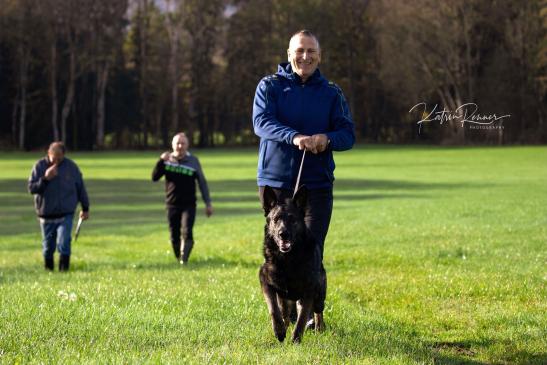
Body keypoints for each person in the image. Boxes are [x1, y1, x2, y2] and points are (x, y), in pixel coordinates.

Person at [252, 30, 355, 323]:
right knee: (280, 246)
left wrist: (327, 138)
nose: (305, 56)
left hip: (316, 186)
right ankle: (283, 310)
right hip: (275, 184)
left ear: (319, 56)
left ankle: (312, 311)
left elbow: (348, 134)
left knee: (312, 248)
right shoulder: (269, 86)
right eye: (300, 50)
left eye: (311, 51)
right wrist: (293, 136)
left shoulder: (332, 92)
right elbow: (262, 123)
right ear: (289, 54)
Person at [152, 132, 213, 265]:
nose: (180, 146)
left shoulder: (193, 161)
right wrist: (161, 161)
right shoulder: (167, 161)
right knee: (174, 235)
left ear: (187, 145)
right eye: (177, 143)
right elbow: (154, 178)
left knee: (187, 231)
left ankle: (183, 260)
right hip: (171, 204)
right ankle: (178, 256)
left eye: (183, 143)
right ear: (172, 145)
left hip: (189, 204)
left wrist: (208, 203)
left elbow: (202, 183)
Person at [28, 142, 90, 271]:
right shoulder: (39, 167)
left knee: (64, 242)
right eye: (54, 157)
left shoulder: (71, 167)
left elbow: (80, 188)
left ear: (64, 155)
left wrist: (85, 208)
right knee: (48, 246)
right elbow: (32, 188)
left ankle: (63, 272)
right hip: (46, 215)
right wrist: (45, 178)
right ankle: (49, 271)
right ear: (48, 153)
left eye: (59, 158)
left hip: (65, 214)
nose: (56, 161)